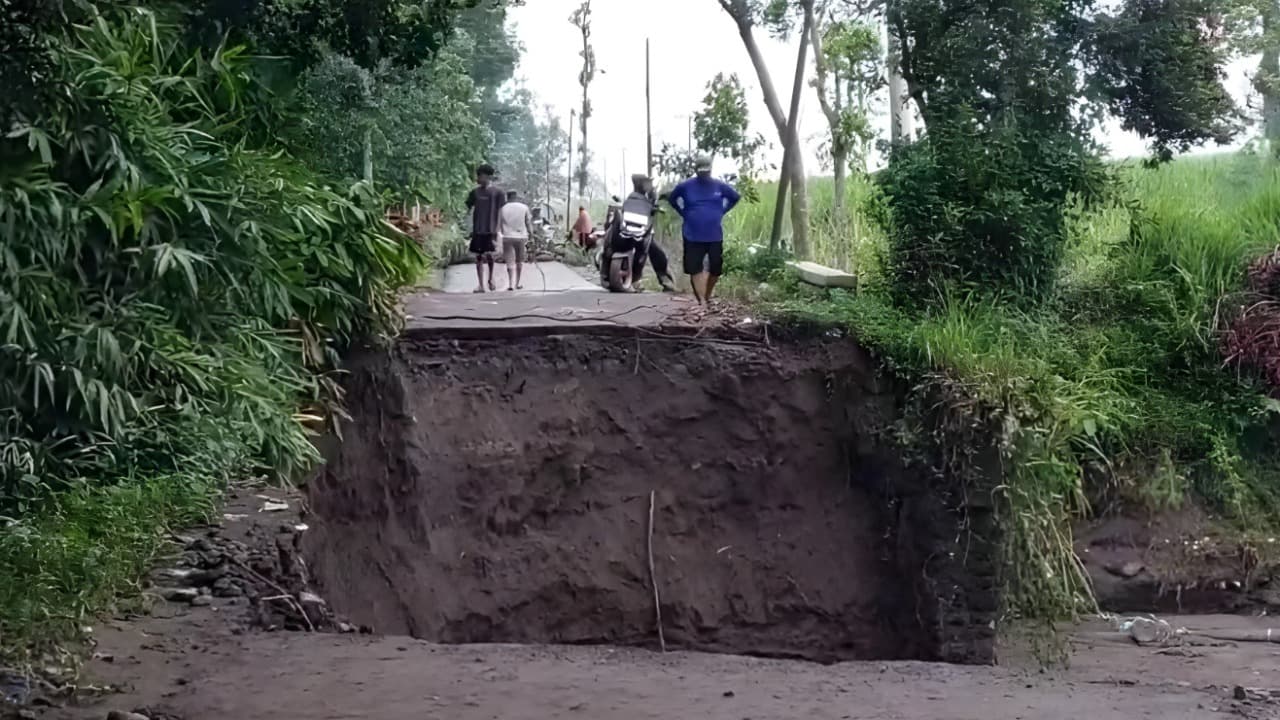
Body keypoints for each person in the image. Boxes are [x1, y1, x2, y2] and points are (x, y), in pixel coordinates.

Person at [666, 155, 740, 306]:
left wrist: (722, 211)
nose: (704, 174)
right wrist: (684, 213)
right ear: (696, 170)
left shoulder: (719, 186)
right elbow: (672, 199)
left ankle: (707, 295)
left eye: (706, 171)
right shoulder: (685, 186)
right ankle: (702, 301)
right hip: (692, 234)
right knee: (695, 268)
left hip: (714, 234)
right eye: (701, 171)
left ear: (711, 169)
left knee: (715, 268)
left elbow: (735, 197)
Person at [599, 174, 675, 292]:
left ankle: (665, 280)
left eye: (649, 183)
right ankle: (604, 271)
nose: (648, 185)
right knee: (608, 240)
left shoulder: (650, 198)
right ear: (639, 184)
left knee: (657, 252)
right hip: (625, 230)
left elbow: (654, 207)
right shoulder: (631, 199)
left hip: (643, 231)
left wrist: (656, 206)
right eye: (646, 183)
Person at [465, 164, 505, 293]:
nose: (477, 179)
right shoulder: (475, 193)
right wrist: (468, 227)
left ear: (488, 176)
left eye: (480, 176)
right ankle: (481, 284)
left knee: (490, 256)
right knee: (478, 257)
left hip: (490, 230)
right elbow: (468, 209)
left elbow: (500, 211)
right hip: (478, 230)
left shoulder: (498, 193)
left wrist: (497, 229)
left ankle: (490, 278)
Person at [498, 189, 534, 291]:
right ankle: (517, 283)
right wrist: (531, 235)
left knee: (509, 261)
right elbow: (528, 223)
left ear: (507, 197)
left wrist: (501, 234)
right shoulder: (524, 207)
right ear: (516, 196)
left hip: (507, 237)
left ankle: (510, 284)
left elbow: (499, 224)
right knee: (519, 261)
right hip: (521, 237)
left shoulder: (502, 208)